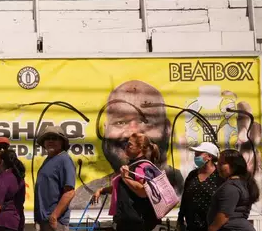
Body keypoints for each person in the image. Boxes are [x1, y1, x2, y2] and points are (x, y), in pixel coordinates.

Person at [74, 80, 184, 209]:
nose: (133, 131)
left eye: (146, 121)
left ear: (167, 130)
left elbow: (144, 191)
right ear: (105, 130)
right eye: (120, 122)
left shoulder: (183, 184)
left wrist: (126, 178)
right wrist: (103, 190)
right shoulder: (81, 197)